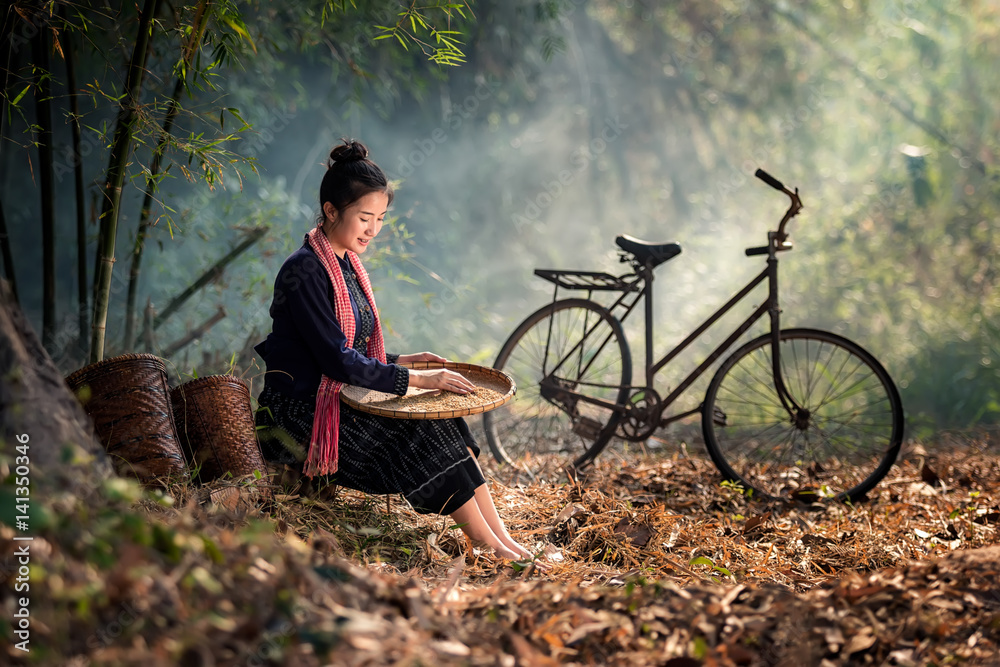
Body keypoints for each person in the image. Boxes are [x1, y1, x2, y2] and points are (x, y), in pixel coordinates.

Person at [254, 139, 535, 563]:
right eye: (364, 217)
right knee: (420, 432)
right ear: (331, 211)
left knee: (446, 422)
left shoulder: (346, 262)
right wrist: (416, 380)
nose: (373, 229)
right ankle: (489, 546)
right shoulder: (305, 270)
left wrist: (401, 361)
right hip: (301, 414)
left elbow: (351, 349)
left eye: (381, 218)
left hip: (335, 395)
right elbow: (335, 359)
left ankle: (503, 539)